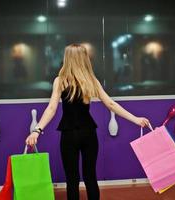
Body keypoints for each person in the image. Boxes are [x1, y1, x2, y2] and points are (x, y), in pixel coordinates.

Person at [25, 44, 151, 200]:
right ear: (85, 58)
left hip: (69, 134)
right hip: (88, 133)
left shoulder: (60, 80)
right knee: (90, 177)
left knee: (72, 180)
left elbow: (51, 108)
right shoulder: (91, 80)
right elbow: (111, 104)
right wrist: (136, 119)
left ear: (67, 58)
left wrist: (37, 130)